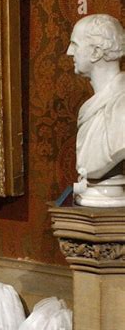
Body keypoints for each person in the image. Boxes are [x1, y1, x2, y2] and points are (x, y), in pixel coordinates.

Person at [67, 14, 125, 203]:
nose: (69, 52)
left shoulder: (121, 106)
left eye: (75, 44)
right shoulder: (90, 108)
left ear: (96, 52)